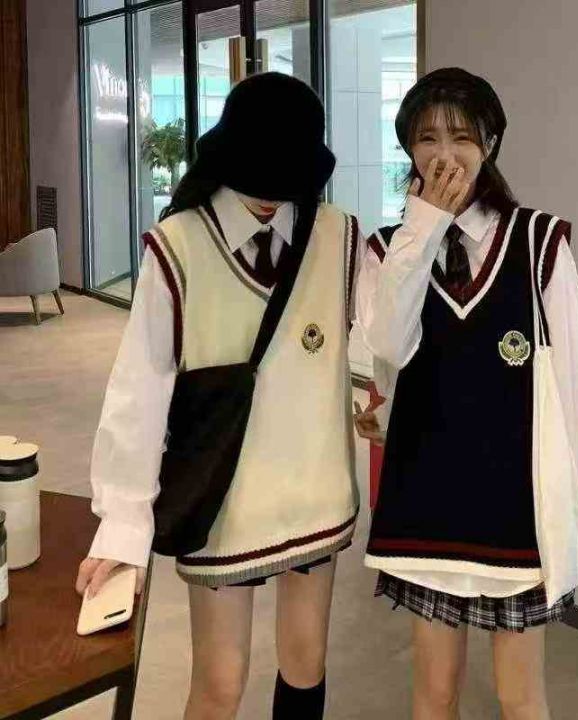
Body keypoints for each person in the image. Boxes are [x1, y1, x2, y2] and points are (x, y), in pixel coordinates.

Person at [76, 72, 363, 720]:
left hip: (316, 491)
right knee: (220, 682)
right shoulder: (177, 246)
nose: (267, 196)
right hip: (221, 500)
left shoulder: (338, 235)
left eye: (282, 178)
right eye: (255, 174)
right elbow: (139, 391)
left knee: (306, 662)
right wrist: (123, 526)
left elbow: (377, 337)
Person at [354, 67, 578, 720]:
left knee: (520, 697)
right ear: (408, 149)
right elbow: (387, 345)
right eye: (426, 138)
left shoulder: (539, 243)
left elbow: (577, 380)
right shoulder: (387, 250)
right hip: (425, 503)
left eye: (461, 136)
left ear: (490, 143)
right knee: (434, 694)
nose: (444, 153)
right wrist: (423, 224)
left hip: (515, 511)